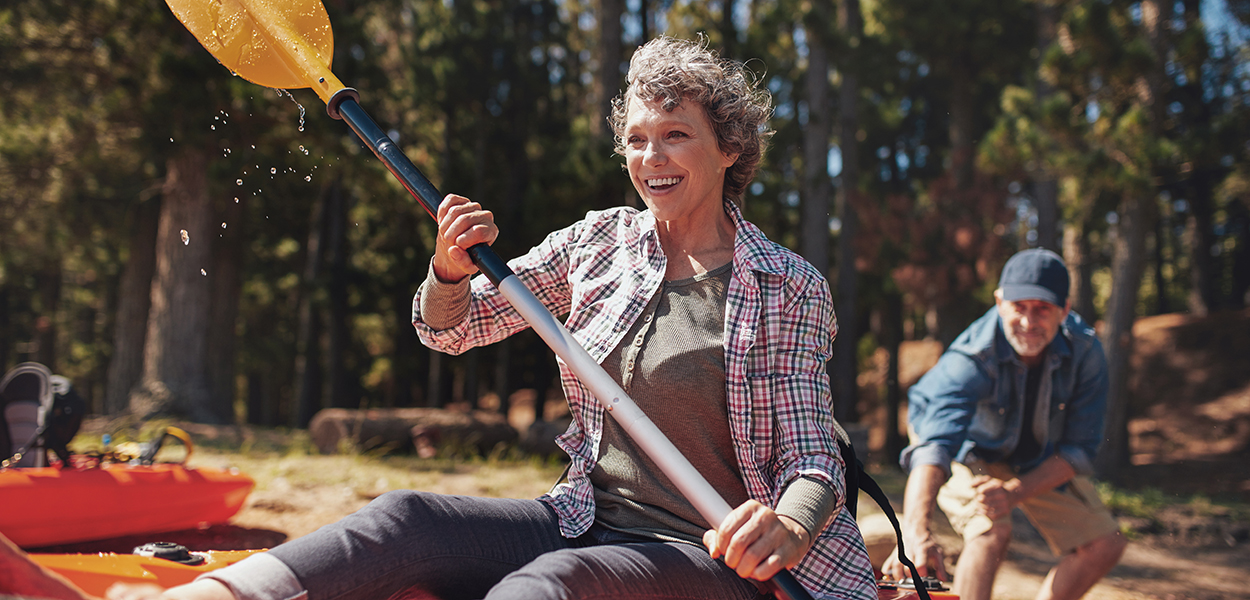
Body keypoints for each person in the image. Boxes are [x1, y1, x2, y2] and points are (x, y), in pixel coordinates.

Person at [116, 36, 877, 600]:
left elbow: (812, 460)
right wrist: (447, 271)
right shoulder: (597, 243)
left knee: (552, 584)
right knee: (405, 517)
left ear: (728, 149)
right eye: (637, 140)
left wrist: (790, 526)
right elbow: (454, 328)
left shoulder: (786, 285)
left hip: (709, 555)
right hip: (583, 516)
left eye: (677, 134)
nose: (652, 158)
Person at [881, 248, 1128, 600]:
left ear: (1065, 309)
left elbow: (1077, 452)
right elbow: (935, 446)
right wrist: (915, 532)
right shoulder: (971, 357)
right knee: (990, 532)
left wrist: (1015, 491)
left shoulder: (1086, 352)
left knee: (1104, 543)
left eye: (1042, 309)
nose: (1029, 322)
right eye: (1019, 307)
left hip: (1031, 455)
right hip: (964, 446)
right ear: (999, 303)